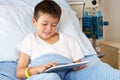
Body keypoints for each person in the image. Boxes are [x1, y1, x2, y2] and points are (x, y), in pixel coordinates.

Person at [16, 0, 86, 80]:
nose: (49, 29)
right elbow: (19, 73)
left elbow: (78, 64)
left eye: (53, 25)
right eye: (44, 24)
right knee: (52, 77)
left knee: (96, 71)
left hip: (66, 74)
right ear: (34, 22)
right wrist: (38, 69)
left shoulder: (69, 40)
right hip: (41, 75)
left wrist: (79, 67)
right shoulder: (30, 40)